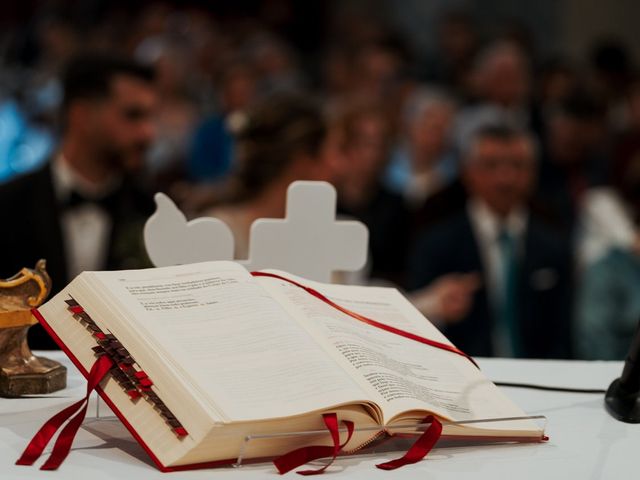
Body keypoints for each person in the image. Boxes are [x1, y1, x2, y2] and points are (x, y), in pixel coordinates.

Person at [0, 53, 157, 348]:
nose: (149, 133)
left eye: (150, 117)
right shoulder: (7, 205)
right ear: (81, 115)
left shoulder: (150, 213)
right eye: (133, 116)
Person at [408, 125, 573, 358]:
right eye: (491, 165)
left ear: (533, 173)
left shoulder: (553, 245)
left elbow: (564, 333)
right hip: (463, 373)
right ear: (468, 172)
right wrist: (438, 306)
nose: (505, 178)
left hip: (540, 375)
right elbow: (415, 329)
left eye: (517, 165)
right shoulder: (436, 245)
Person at [202, 93, 331, 260]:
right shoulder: (219, 232)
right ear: (302, 162)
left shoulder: (326, 232)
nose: (337, 165)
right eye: (332, 152)